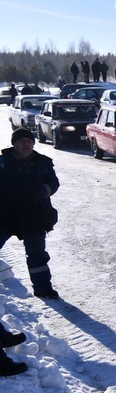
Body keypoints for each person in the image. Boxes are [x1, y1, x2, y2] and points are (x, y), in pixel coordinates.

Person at [0, 128, 60, 300]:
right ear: (14, 145)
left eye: (29, 141)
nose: (26, 144)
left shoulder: (44, 162)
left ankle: (43, 289)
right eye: (22, 141)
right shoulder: (2, 162)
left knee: (37, 256)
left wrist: (41, 192)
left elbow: (54, 183)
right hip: (6, 216)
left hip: (34, 216)